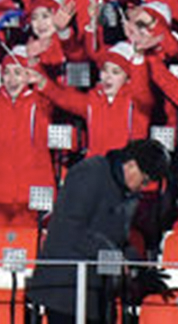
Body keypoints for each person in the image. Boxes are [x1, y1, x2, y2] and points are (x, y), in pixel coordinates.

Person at [28, 139, 169, 324]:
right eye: (144, 181)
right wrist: (114, 256)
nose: (143, 187)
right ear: (132, 165)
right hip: (66, 286)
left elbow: (119, 239)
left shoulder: (127, 194)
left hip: (98, 289)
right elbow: (72, 228)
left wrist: (139, 268)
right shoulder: (90, 173)